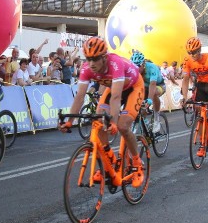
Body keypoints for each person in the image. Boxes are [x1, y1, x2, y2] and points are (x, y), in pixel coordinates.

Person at [59, 37, 145, 184]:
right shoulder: (86, 69)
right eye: (88, 59)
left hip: (133, 87)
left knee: (123, 126)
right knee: (98, 122)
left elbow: (116, 97)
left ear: (104, 58)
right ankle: (108, 161)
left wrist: (113, 121)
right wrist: (69, 121)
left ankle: (137, 163)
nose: (91, 63)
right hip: (113, 88)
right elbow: (80, 96)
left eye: (95, 59)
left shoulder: (115, 64)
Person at [181, 36, 208, 156]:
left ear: (199, 50)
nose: (192, 54)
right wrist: (184, 97)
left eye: (194, 52)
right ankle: (202, 143)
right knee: (199, 111)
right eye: (190, 52)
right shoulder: (187, 60)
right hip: (201, 84)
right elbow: (185, 80)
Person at [131, 50, 164, 132]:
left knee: (153, 93)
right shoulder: (133, 69)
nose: (136, 69)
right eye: (134, 66)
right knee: (141, 106)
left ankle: (156, 119)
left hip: (158, 85)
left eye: (138, 66)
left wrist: (149, 100)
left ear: (143, 64)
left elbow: (152, 85)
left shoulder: (152, 67)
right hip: (144, 87)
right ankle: (144, 122)